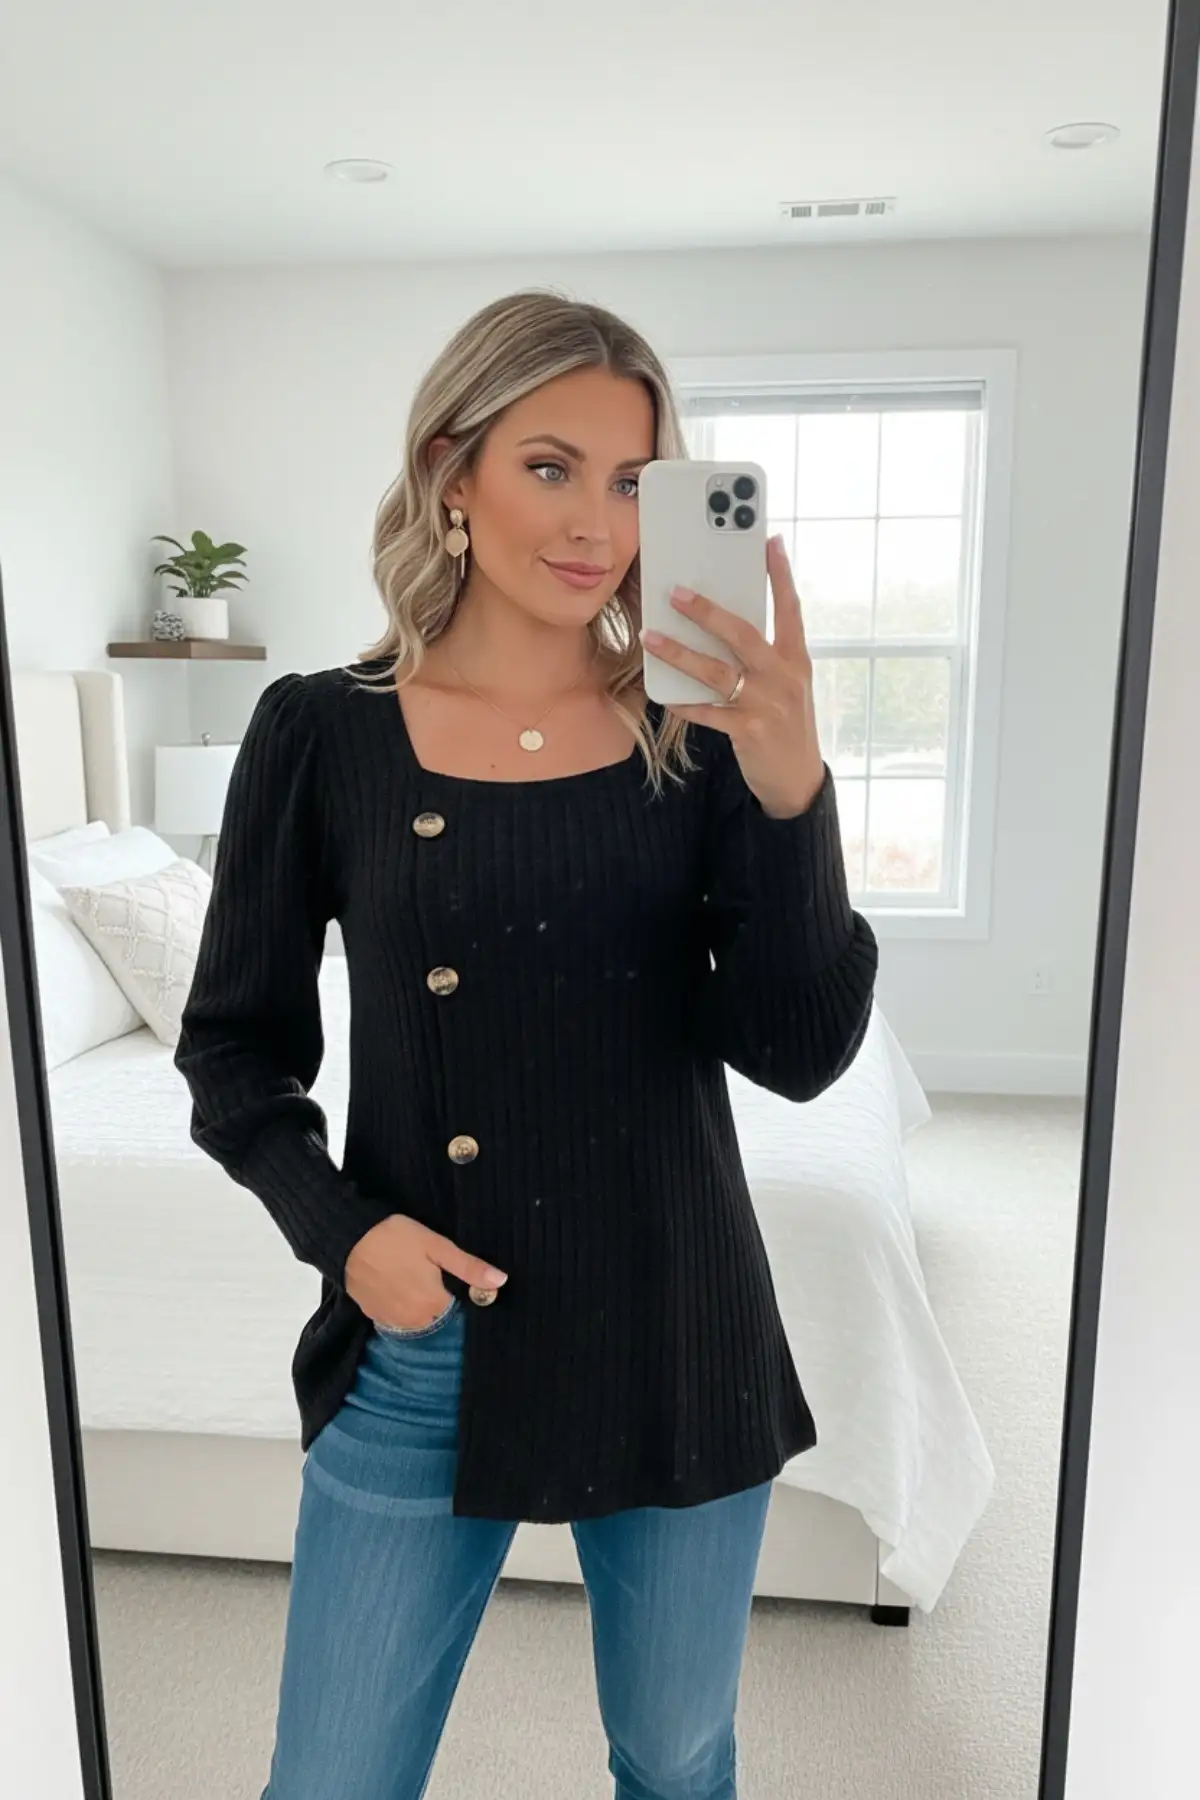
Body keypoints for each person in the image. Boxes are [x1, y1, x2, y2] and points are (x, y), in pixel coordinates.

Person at [174, 288, 878, 1800]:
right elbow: (231, 1052)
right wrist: (345, 1235)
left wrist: (793, 789)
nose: (597, 526)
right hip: (428, 1335)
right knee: (333, 1776)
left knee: (676, 1758)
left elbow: (802, 1048)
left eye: (634, 483)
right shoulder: (320, 731)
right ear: (452, 471)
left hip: (675, 1317)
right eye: (550, 467)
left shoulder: (697, 736)